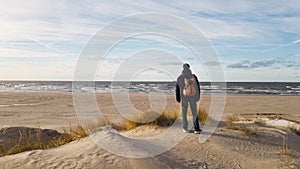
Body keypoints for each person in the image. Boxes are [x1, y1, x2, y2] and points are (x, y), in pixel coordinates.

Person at [176, 63, 201, 133]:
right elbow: (197, 87)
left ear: (183, 68)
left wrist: (178, 98)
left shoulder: (180, 77)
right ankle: (196, 129)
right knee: (194, 112)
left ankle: (185, 128)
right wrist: (198, 96)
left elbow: (177, 89)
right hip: (193, 96)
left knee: (184, 113)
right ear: (189, 68)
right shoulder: (194, 76)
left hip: (184, 97)